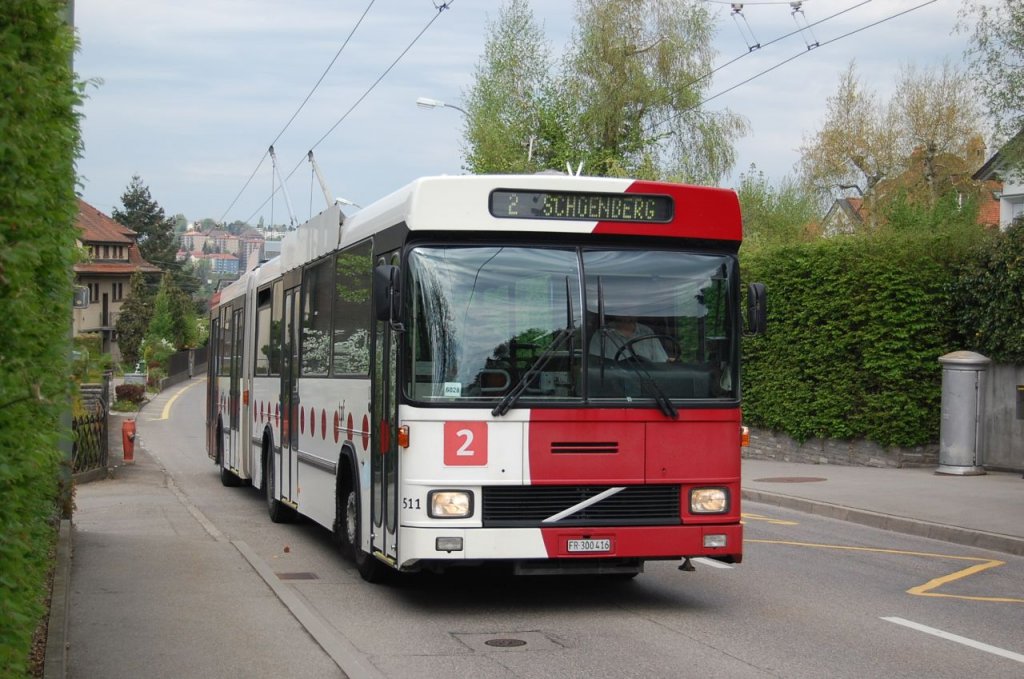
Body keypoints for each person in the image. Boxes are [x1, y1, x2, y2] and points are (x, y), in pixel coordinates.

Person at [590, 315, 668, 362]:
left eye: (631, 307)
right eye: (623, 306)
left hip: (647, 385)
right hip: (614, 385)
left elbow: (661, 361)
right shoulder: (602, 334)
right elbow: (595, 367)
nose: (627, 311)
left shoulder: (647, 332)